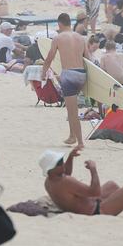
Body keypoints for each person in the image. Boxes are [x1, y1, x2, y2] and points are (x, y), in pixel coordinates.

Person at [42, 13, 90, 149]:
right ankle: (72, 136)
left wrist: (43, 72)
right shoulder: (80, 38)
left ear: (59, 24)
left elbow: (50, 57)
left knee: (73, 111)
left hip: (68, 75)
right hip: (81, 74)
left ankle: (80, 142)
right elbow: (88, 58)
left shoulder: (58, 38)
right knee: (70, 108)